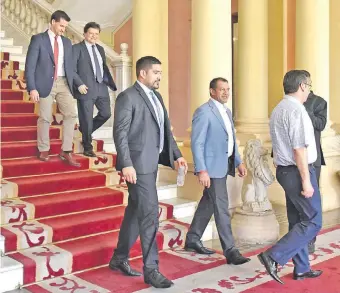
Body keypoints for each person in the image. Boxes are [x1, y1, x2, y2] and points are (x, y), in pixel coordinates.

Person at [109, 56, 188, 289]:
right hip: (137, 166)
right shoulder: (127, 97)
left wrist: (177, 154)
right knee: (150, 213)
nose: (159, 77)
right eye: (155, 72)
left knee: (135, 210)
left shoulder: (157, 97)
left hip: (151, 164)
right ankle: (151, 270)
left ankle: (119, 258)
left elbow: (165, 129)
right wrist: (126, 164)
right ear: (142, 74)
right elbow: (120, 133)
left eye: (160, 72)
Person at [258, 70, 322, 284]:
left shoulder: (278, 108)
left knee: (297, 221)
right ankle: (273, 255)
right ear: (303, 86)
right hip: (297, 171)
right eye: (309, 85)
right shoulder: (296, 110)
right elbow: (299, 149)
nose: (310, 89)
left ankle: (302, 268)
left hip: (285, 171)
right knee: (313, 221)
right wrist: (306, 181)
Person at [184, 77, 250, 265]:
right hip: (212, 168)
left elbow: (231, 139)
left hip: (225, 164)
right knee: (221, 206)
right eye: (222, 89)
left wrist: (239, 161)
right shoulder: (204, 112)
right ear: (212, 91)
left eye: (228, 89)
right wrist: (202, 170)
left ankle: (193, 238)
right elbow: (197, 143)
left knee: (209, 202)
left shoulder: (227, 112)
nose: (226, 92)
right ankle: (230, 251)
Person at [25, 10, 79, 166]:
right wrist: (32, 88)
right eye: (61, 25)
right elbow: (30, 66)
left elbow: (70, 67)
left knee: (71, 114)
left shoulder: (67, 43)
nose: (63, 29)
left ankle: (66, 150)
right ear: (53, 22)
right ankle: (43, 149)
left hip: (63, 83)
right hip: (44, 83)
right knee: (45, 117)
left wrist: (77, 82)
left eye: (65, 27)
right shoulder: (38, 40)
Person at [73, 22, 117, 157]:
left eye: (96, 34)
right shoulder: (76, 49)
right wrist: (79, 84)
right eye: (91, 33)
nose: (93, 36)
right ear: (85, 34)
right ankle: (87, 146)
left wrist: (107, 82)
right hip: (85, 88)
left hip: (101, 87)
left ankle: (85, 129)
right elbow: (71, 69)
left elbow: (102, 67)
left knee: (106, 113)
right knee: (85, 117)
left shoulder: (100, 49)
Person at [303, 87, 327, 254]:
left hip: (313, 159)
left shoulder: (319, 102)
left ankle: (310, 240)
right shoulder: (289, 103)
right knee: (296, 201)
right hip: (291, 160)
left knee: (312, 201)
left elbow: (321, 124)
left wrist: (305, 111)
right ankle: (297, 237)